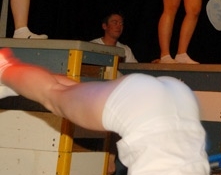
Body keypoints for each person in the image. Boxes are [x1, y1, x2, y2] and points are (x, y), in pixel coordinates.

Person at [0, 47, 209, 174]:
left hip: (182, 101)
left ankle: (16, 83)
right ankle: (4, 68)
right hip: (141, 107)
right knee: (53, 96)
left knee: (66, 93)